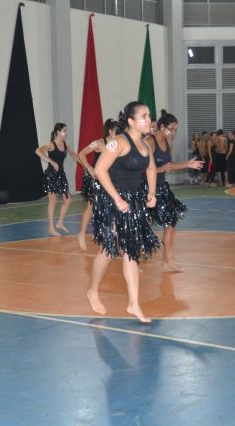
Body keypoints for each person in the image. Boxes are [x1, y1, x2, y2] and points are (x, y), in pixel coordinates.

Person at [86, 101, 161, 323]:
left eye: (149, 115)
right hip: (113, 200)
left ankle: (133, 303)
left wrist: (152, 193)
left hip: (133, 201)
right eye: (143, 116)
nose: (148, 120)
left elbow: (151, 168)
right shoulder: (118, 142)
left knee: (130, 249)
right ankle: (92, 290)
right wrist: (117, 199)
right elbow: (100, 170)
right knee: (109, 251)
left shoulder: (145, 144)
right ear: (130, 121)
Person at [143, 110, 203, 271]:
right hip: (146, 188)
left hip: (161, 188)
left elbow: (170, 165)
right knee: (143, 224)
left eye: (176, 130)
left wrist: (187, 164)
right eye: (171, 129)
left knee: (171, 222)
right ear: (162, 127)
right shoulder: (149, 141)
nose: (174, 133)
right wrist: (159, 169)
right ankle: (132, 258)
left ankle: (167, 260)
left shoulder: (168, 142)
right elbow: (140, 168)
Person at [76, 119, 118, 250]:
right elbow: (82, 154)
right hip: (95, 179)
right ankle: (81, 234)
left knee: (113, 206)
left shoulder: (118, 144)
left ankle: (112, 236)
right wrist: (89, 168)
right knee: (91, 208)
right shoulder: (99, 143)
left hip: (109, 179)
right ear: (110, 131)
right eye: (116, 129)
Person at [35, 123, 79, 236]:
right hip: (51, 175)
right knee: (53, 202)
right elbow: (38, 151)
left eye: (66, 130)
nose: (66, 133)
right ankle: (51, 228)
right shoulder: (51, 144)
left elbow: (74, 155)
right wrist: (51, 161)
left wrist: (86, 165)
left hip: (61, 175)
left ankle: (59, 223)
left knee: (68, 200)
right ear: (58, 132)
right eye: (64, 130)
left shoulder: (65, 144)